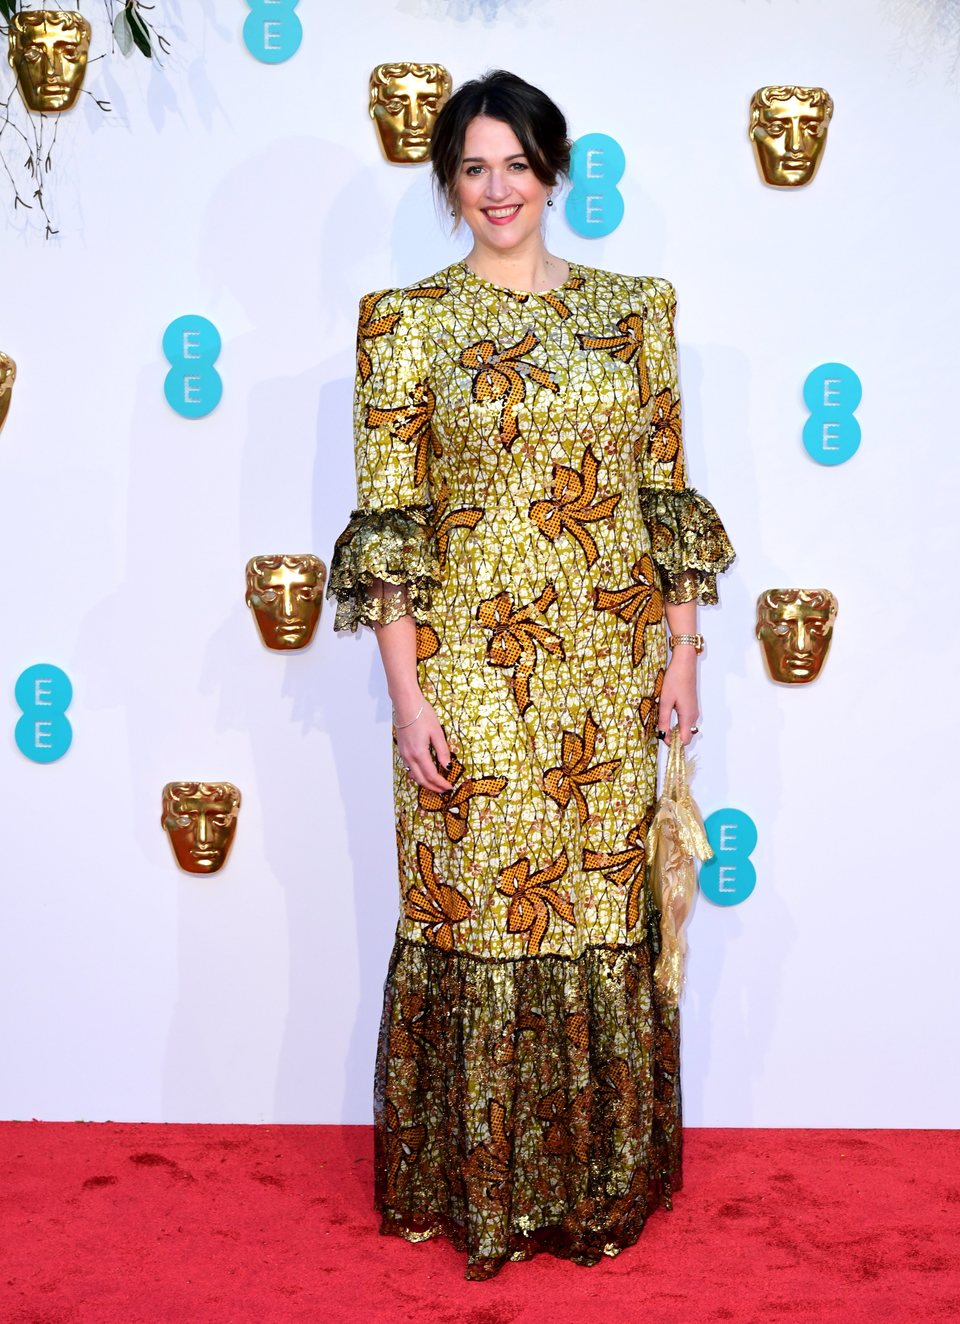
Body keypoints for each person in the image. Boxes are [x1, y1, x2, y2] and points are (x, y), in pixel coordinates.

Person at [328, 69, 735, 1280]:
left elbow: (663, 498)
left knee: (606, 915)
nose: (497, 188)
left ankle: (598, 1188)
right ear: (449, 184)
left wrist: (682, 652)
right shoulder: (404, 322)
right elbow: (391, 526)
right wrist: (406, 695)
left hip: (609, 681)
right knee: (480, 925)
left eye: (516, 163)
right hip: (469, 682)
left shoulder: (634, 312)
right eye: (473, 167)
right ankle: (481, 1194)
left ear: (555, 173)